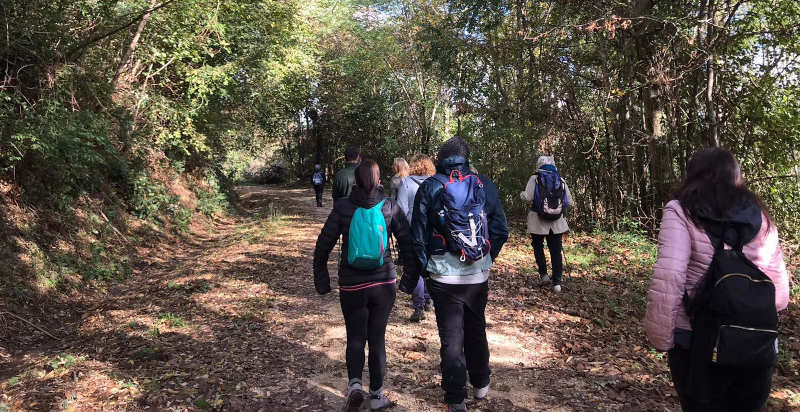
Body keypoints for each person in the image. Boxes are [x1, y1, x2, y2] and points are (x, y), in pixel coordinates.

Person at [643, 148, 789, 411]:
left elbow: (670, 275)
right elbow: (779, 295)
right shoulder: (759, 215)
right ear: (736, 176)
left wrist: (661, 338)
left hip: (698, 340)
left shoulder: (680, 210)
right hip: (756, 341)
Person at [401, 137, 509, 412]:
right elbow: (500, 229)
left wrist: (426, 268)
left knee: (451, 337)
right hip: (477, 275)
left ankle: (455, 398)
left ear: (440, 159)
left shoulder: (431, 186)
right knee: (476, 327)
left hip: (443, 276)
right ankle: (481, 383)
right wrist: (486, 258)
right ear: (466, 158)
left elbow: (418, 235)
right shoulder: (483, 184)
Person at [314, 159, 419, 412]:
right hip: (383, 283)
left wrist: (322, 280)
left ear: (356, 181)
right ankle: (377, 395)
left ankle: (353, 388)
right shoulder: (389, 206)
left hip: (352, 285)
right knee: (377, 337)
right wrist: (408, 281)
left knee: (355, 337)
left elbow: (323, 245)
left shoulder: (343, 207)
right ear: (378, 179)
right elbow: (408, 244)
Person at [519, 156, 573, 293]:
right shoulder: (560, 179)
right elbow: (569, 202)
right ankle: (557, 282)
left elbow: (528, 197)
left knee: (538, 246)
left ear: (539, 164)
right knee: (556, 250)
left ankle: (544, 275)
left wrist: (522, 195)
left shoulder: (535, 178)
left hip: (538, 220)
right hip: (556, 222)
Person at [395, 154, 436, 322]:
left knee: (415, 266)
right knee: (430, 264)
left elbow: (401, 209)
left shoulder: (406, 183)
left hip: (413, 230)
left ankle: (419, 306)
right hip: (433, 231)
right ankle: (429, 299)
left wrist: (400, 232)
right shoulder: (436, 182)